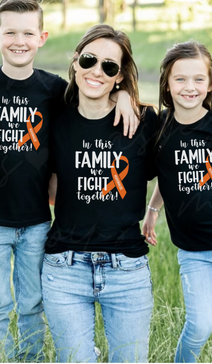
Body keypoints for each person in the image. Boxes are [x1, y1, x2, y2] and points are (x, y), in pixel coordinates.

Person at [0, 0, 137, 360]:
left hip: (38, 220)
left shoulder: (54, 89)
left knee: (31, 304)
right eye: (10, 33)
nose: (18, 41)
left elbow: (94, 99)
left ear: (42, 37)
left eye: (28, 33)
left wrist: (123, 95)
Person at [41, 24, 157, 363]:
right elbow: (49, 189)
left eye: (110, 66)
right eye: (90, 60)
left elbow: (182, 161)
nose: (97, 71)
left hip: (127, 268)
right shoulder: (54, 117)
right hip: (65, 266)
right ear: (76, 61)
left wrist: (154, 210)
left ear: (120, 76)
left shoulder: (143, 120)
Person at [143, 41, 212, 363]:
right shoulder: (158, 126)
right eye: (180, 79)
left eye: (198, 79)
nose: (189, 87)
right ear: (166, 82)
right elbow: (169, 173)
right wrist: (152, 211)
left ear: (209, 84)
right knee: (200, 324)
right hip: (193, 250)